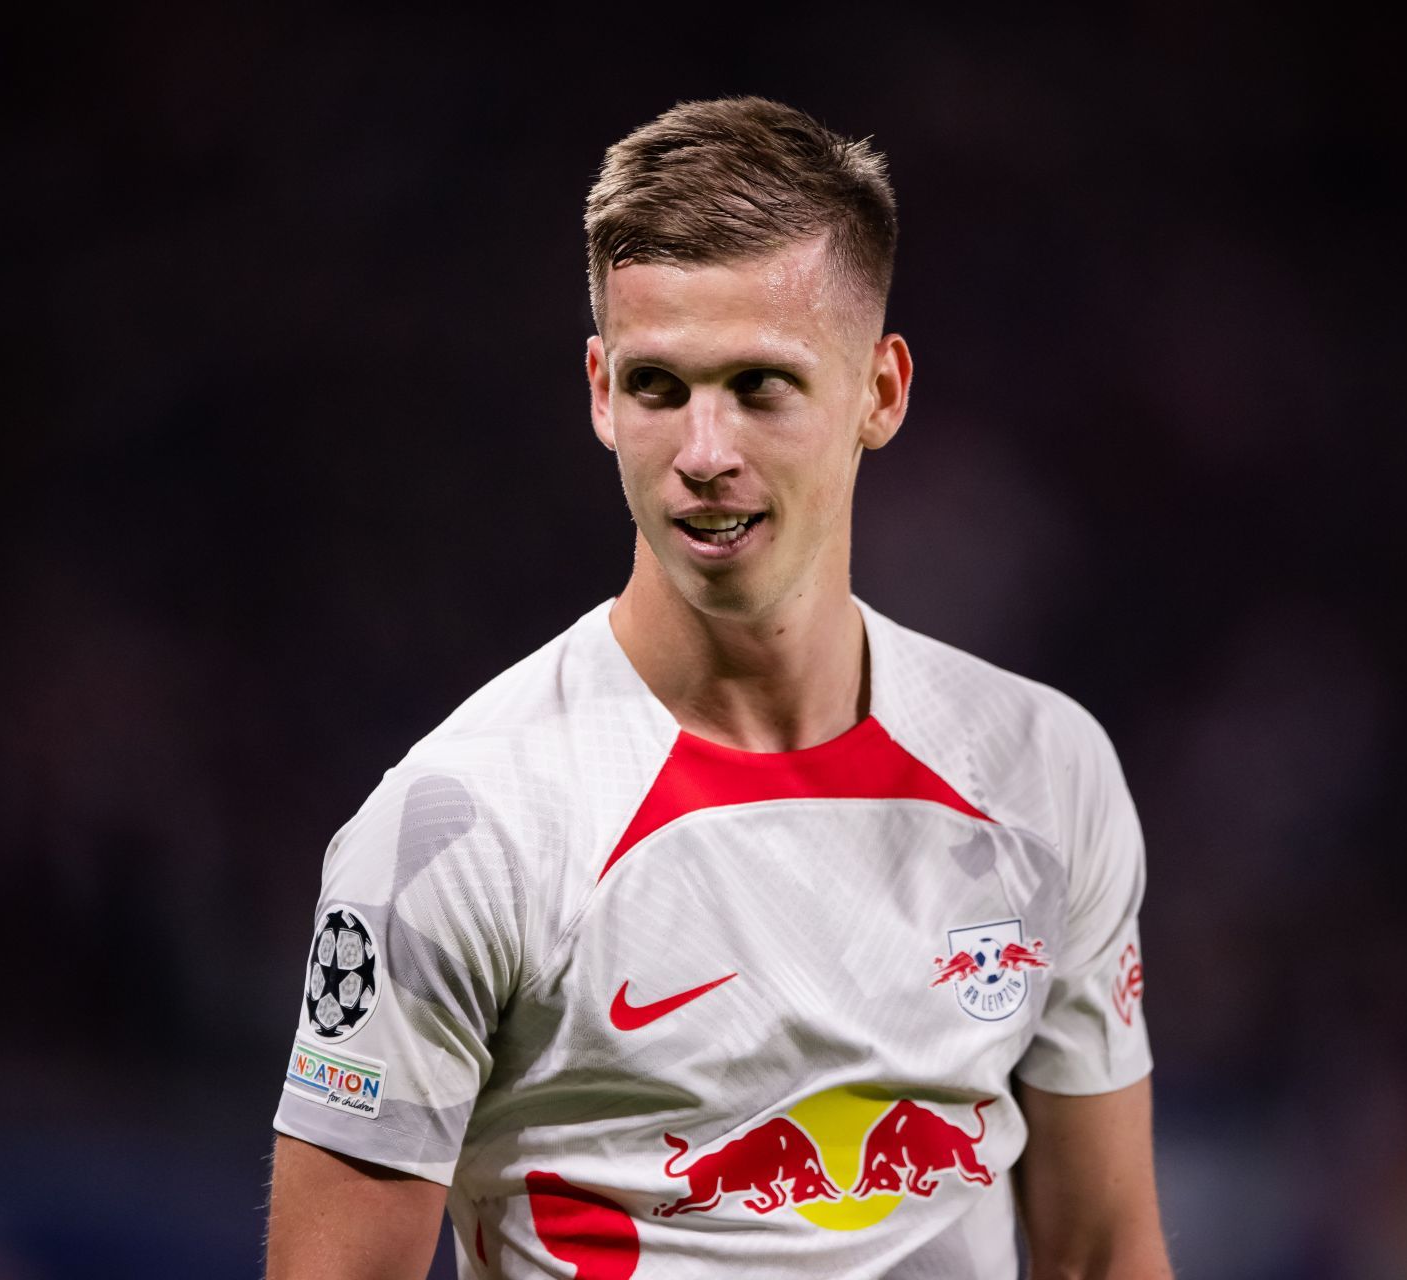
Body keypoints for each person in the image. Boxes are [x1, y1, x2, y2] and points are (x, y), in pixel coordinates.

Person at [265, 97, 1169, 1279]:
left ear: (880, 393)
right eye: (657, 385)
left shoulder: (1045, 769)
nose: (702, 451)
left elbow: (1103, 1253)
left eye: (759, 384)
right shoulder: (452, 833)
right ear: (598, 391)